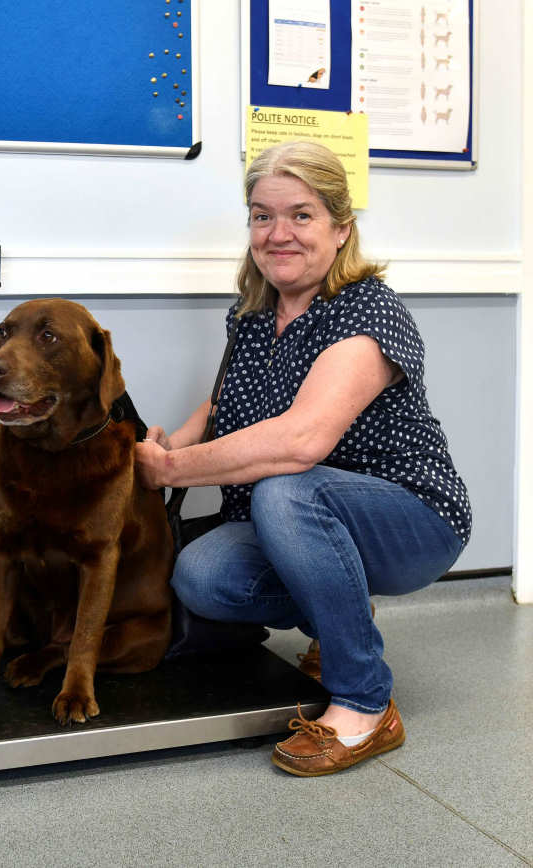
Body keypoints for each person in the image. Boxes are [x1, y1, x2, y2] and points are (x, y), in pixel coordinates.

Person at [135, 140, 470, 777]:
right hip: (303, 515)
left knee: (287, 488)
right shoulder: (254, 312)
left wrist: (174, 472)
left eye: (301, 215)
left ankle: (365, 702)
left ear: (342, 228)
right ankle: (340, 608)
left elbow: (301, 442)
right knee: (203, 575)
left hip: (412, 516)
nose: (278, 234)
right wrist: (174, 441)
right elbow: (228, 395)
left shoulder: (369, 309)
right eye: (262, 216)